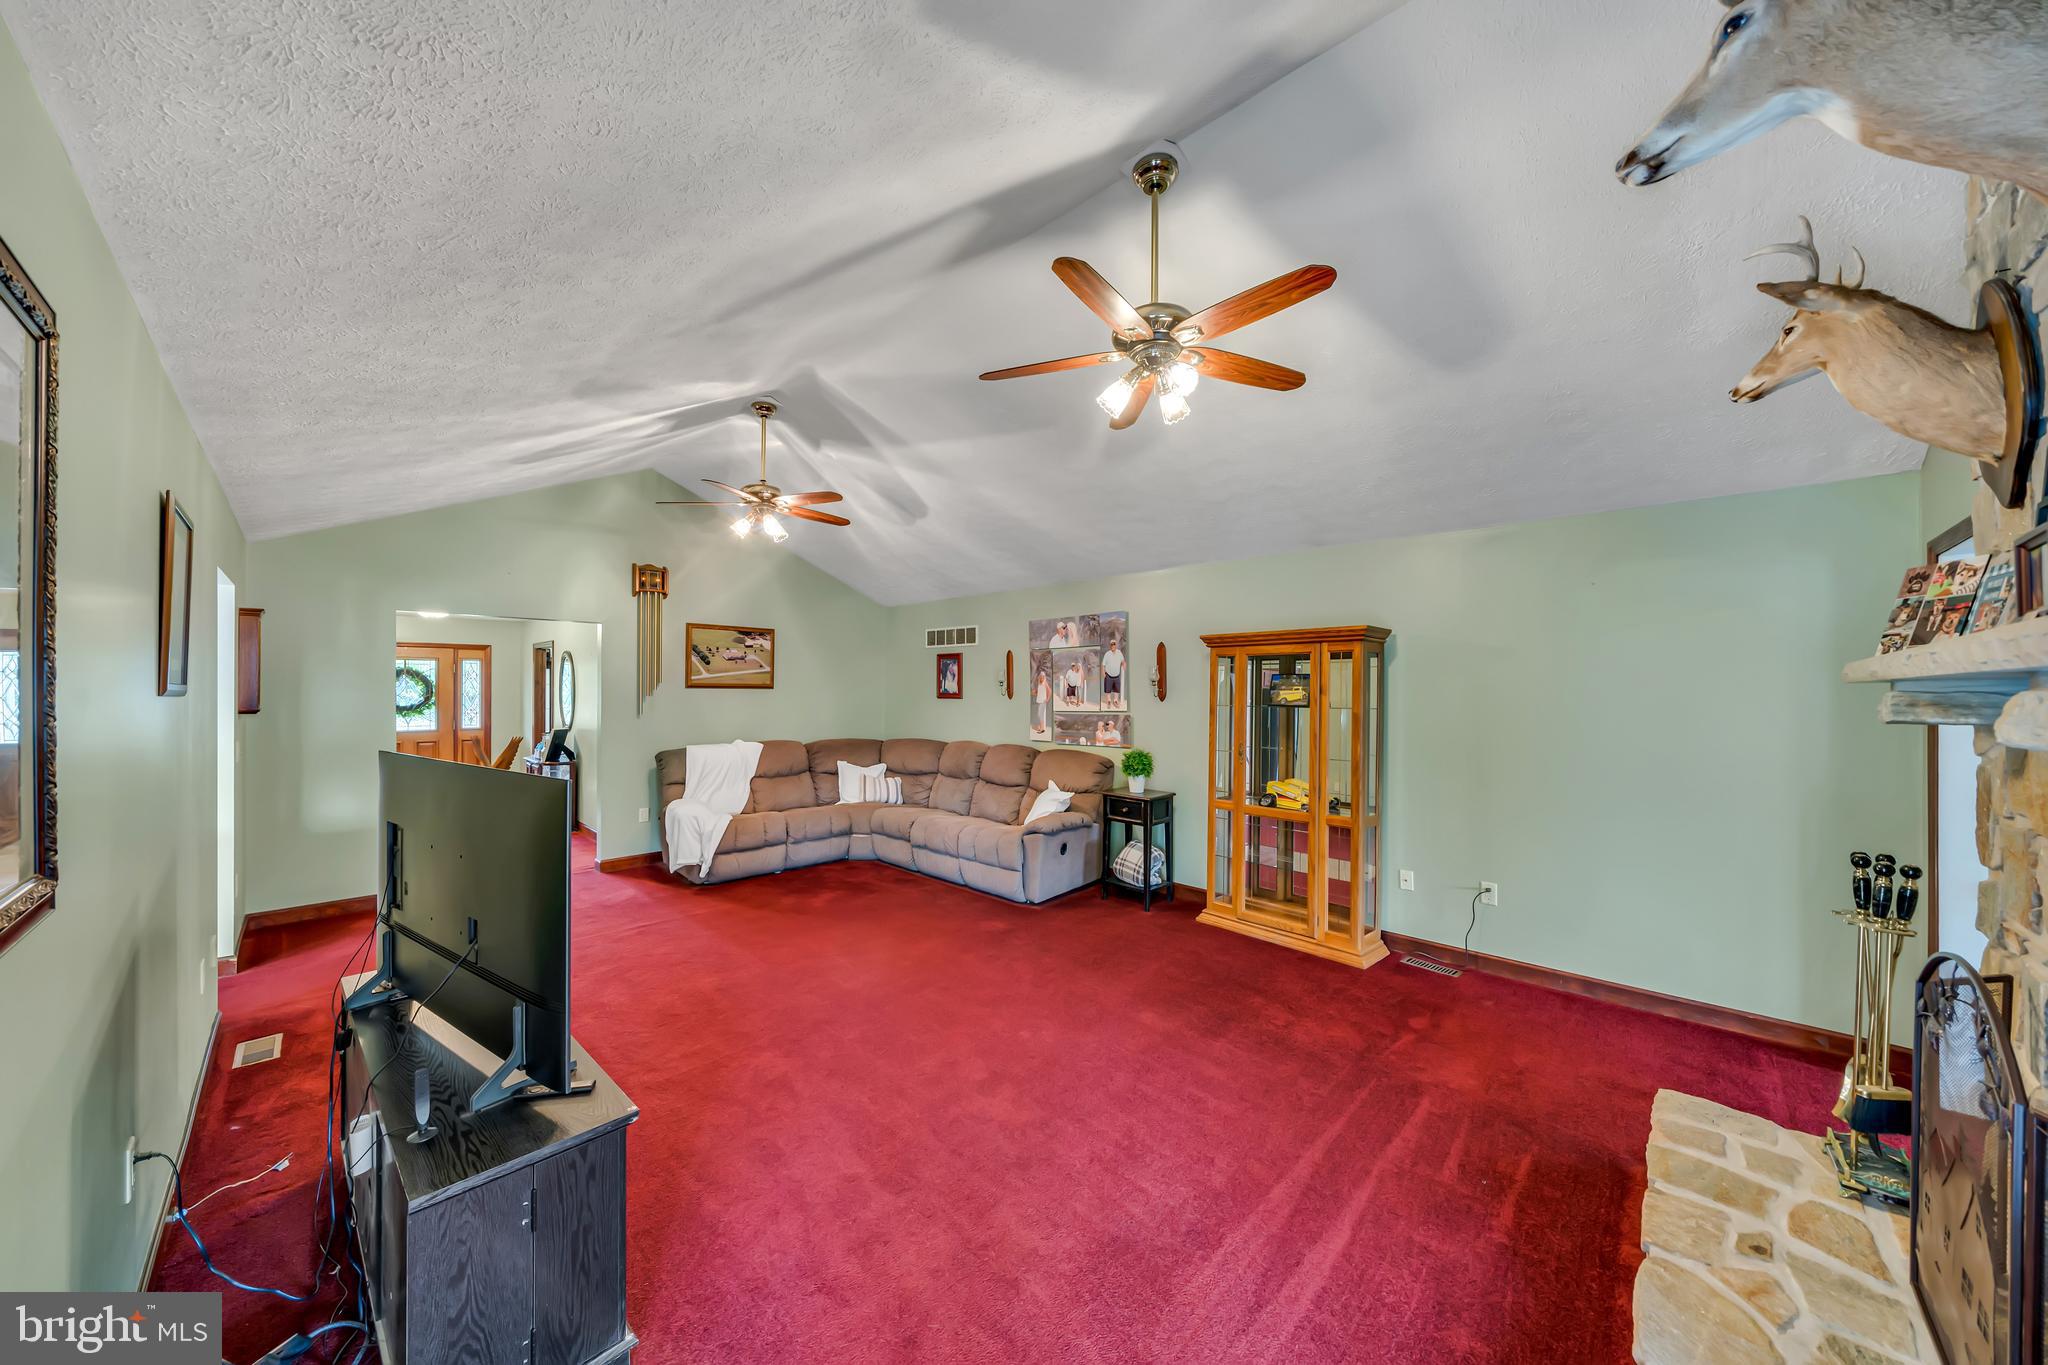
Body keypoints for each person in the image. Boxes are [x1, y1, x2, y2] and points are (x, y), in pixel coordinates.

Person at [1101, 634, 1125, 710]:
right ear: (1110, 645)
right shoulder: (1107, 654)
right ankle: (1108, 701)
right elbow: (1103, 665)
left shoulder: (1119, 652)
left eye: (1114, 644)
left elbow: (1123, 661)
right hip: (1108, 675)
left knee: (1116, 689)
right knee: (1107, 690)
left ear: (1116, 645)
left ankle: (1115, 701)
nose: (1113, 645)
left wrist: (1124, 665)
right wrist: (1103, 673)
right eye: (1111, 644)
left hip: (1117, 675)